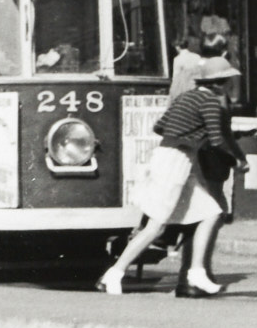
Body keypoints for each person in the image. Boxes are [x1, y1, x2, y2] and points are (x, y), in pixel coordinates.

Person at [95, 56, 247, 296]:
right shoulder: (210, 101)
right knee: (155, 227)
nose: (229, 85)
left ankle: (196, 273)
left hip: (173, 160)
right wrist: (235, 161)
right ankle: (114, 274)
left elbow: (160, 126)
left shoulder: (186, 97)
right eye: (228, 81)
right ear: (220, 83)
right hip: (175, 163)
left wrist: (188, 135)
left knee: (211, 212)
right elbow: (217, 140)